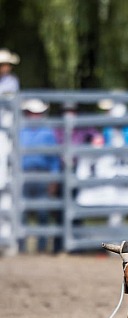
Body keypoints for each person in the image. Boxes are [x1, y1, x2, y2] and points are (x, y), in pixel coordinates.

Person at [19, 99, 62, 253]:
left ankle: (42, 247)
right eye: (32, 113)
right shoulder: (19, 131)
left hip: (42, 175)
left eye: (37, 113)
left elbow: (54, 159)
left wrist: (53, 179)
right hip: (22, 176)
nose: (35, 116)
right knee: (20, 213)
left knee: (43, 213)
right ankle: (20, 246)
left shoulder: (47, 133)